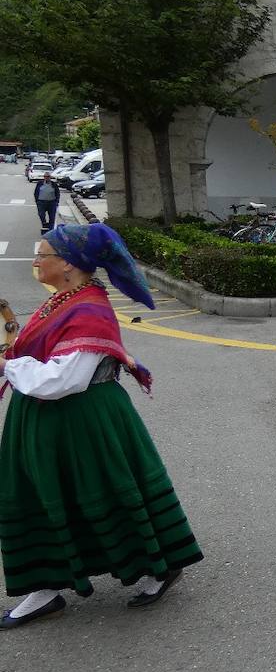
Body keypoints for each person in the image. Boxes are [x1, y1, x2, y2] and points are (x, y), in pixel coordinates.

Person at [0, 223, 202, 629]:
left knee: (106, 491)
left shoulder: (89, 309)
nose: (36, 261)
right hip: (41, 417)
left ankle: (159, 567)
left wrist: (6, 365)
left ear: (71, 264)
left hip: (85, 419)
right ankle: (44, 586)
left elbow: (65, 379)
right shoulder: (62, 299)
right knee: (41, 496)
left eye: (43, 255)